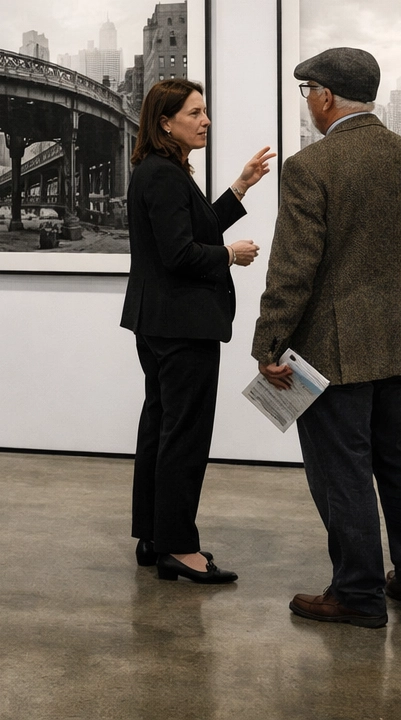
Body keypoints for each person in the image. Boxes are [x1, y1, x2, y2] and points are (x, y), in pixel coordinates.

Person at [252, 47, 401, 626]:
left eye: (307, 91)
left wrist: (269, 344)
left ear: (324, 96)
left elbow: (293, 268)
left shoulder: (313, 166)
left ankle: (358, 593)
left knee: (343, 472)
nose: (308, 102)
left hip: (331, 355)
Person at [122, 78, 275, 584]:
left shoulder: (158, 171)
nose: (205, 120)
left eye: (205, 111)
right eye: (194, 113)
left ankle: (153, 535)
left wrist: (241, 186)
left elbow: (195, 227)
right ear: (166, 123)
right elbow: (181, 254)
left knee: (162, 427)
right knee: (183, 435)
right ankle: (179, 547)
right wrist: (231, 255)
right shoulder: (164, 175)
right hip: (181, 323)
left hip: (160, 321)